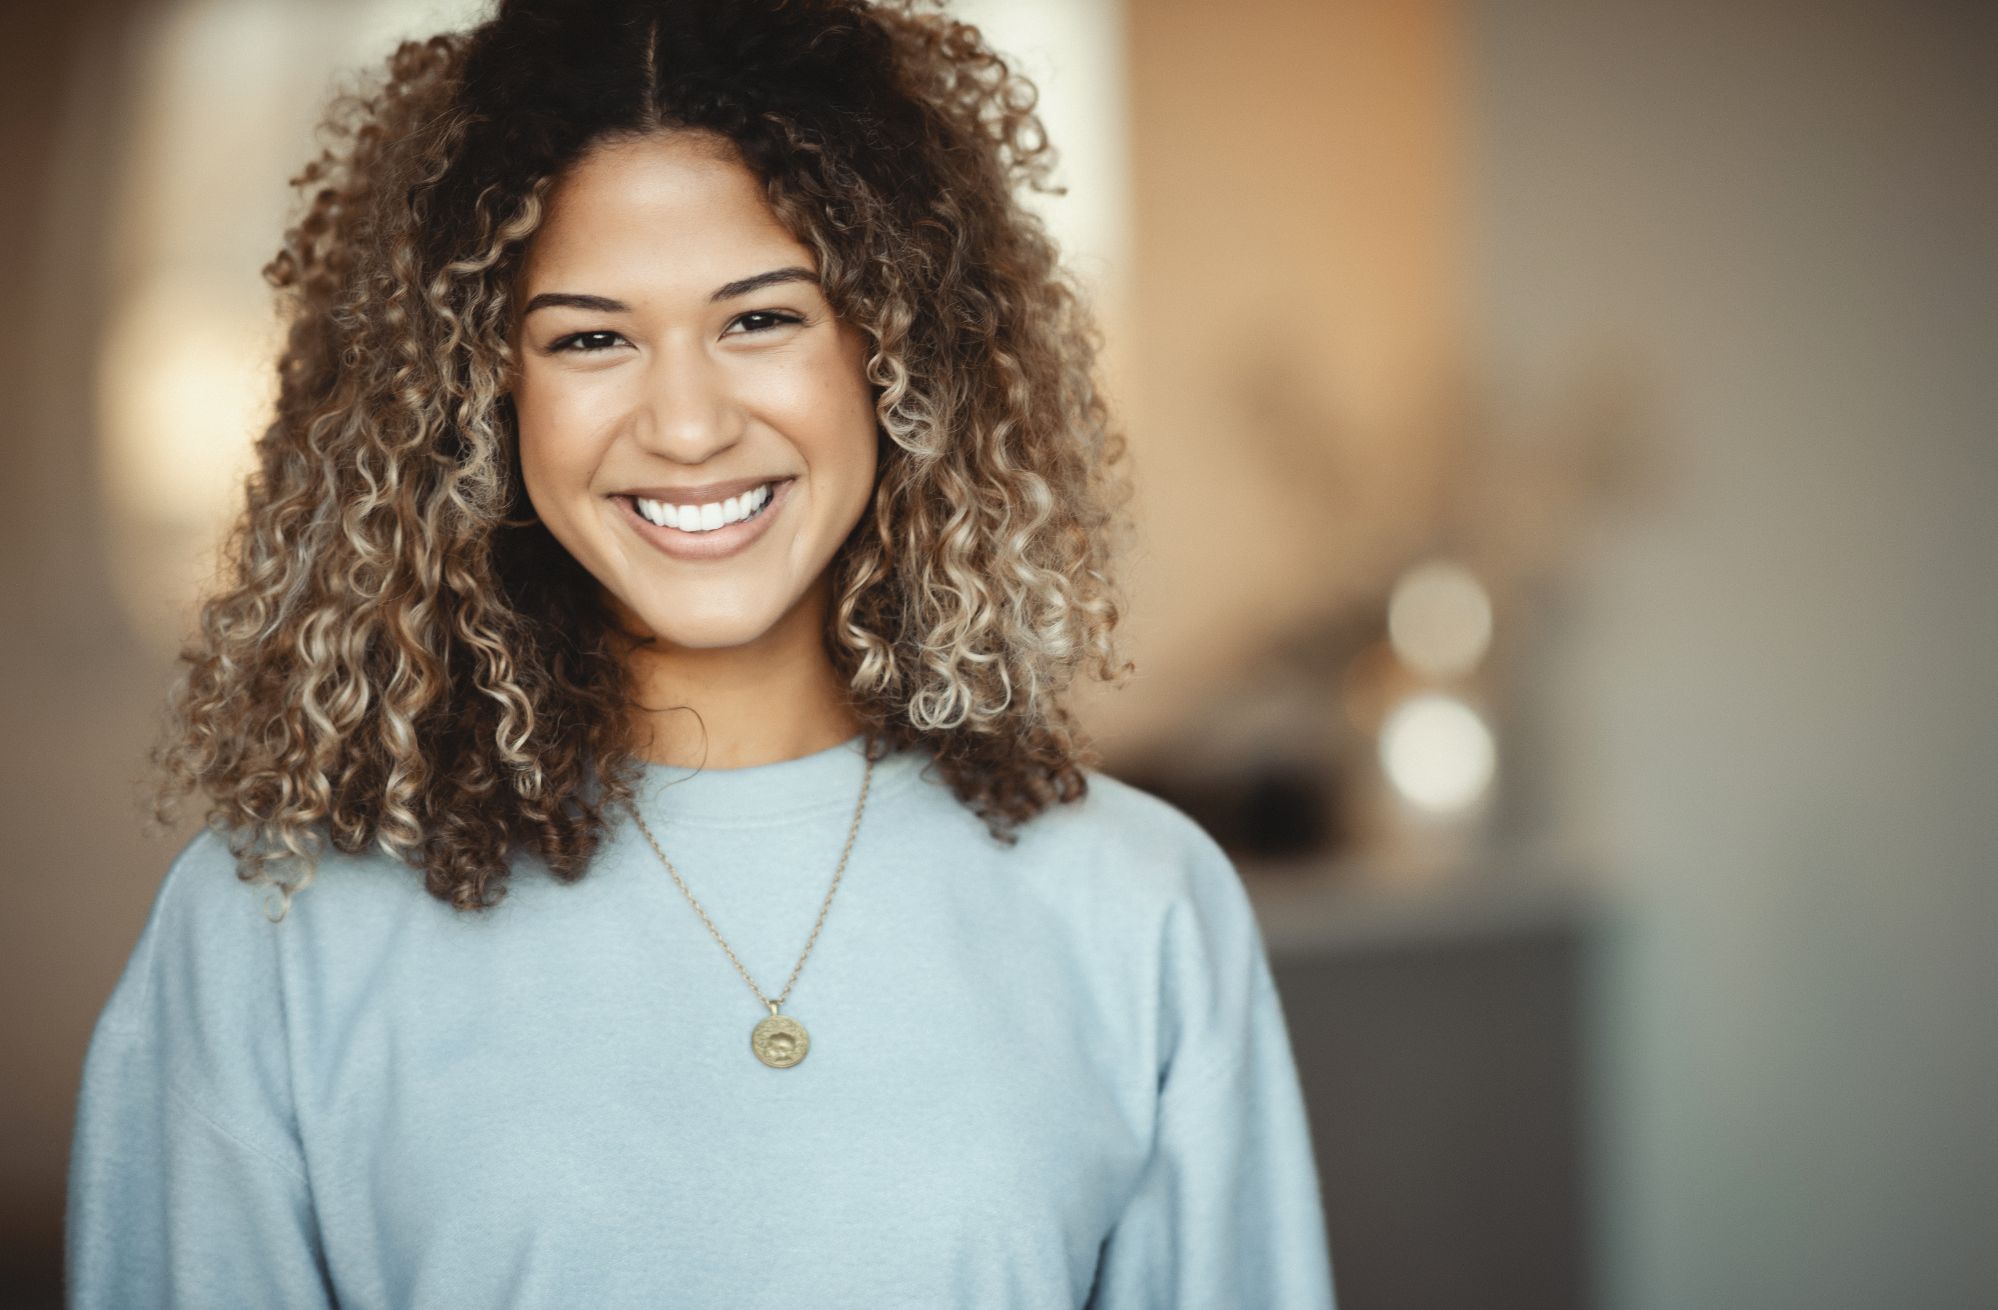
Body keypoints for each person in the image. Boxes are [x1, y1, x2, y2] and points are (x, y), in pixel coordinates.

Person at [64, 1, 1337, 1306]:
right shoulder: (274, 929)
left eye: (761, 319)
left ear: (896, 344)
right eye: (590, 338)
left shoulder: (1136, 905)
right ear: (480, 393)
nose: (686, 425)